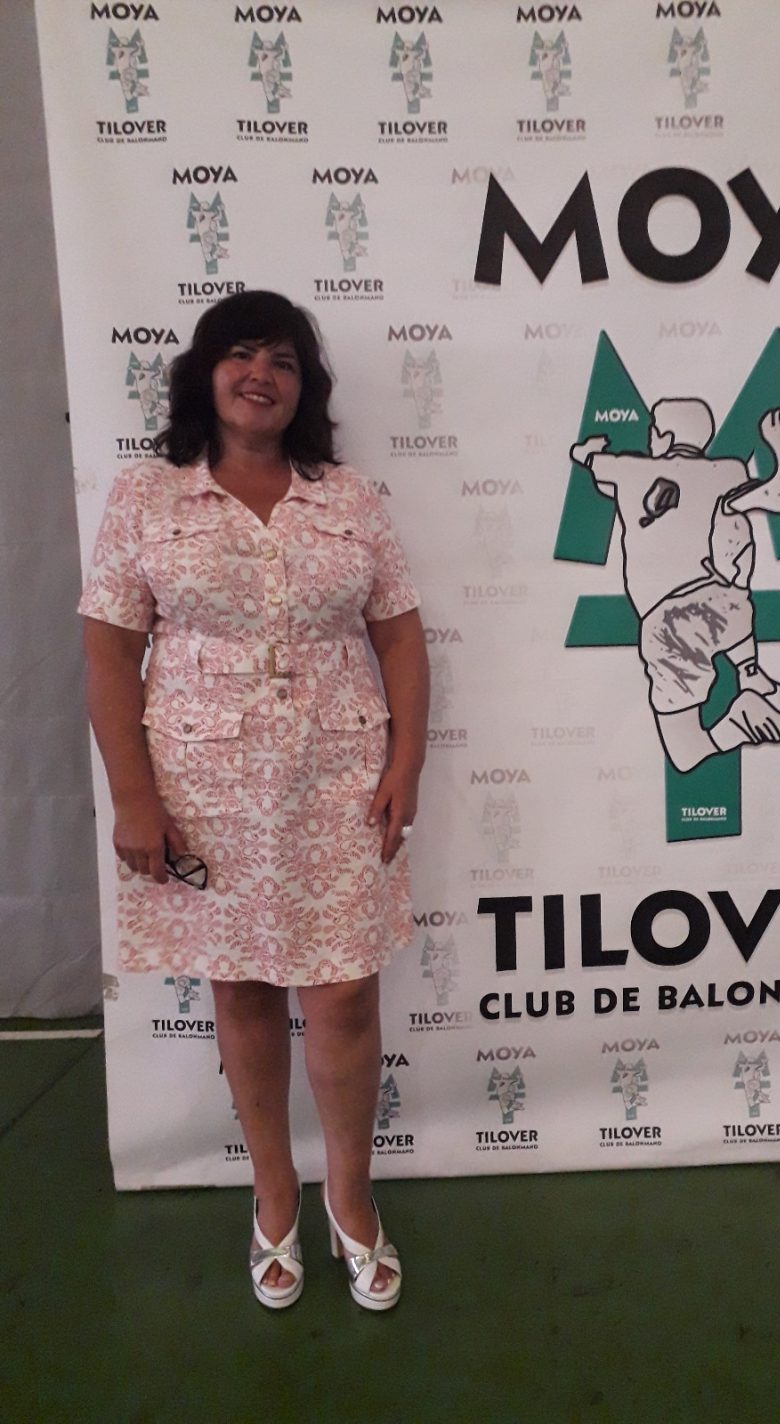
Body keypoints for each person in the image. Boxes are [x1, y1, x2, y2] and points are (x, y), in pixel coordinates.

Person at [80, 290, 428, 1312]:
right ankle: (274, 1196)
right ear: (205, 373)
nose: (260, 374)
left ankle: (350, 1198)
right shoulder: (147, 497)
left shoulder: (348, 497)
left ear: (303, 387)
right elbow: (109, 653)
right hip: (205, 785)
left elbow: (400, 634)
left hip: (338, 777)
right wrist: (133, 796)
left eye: (281, 360)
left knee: (344, 995)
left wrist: (407, 761)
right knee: (241, 991)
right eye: (240, 354)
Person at [569, 397, 780, 773]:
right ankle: (752, 676)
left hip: (669, 625)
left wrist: (589, 451)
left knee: (685, 754)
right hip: (726, 605)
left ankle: (742, 721)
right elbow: (778, 497)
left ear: (666, 436)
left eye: (654, 431)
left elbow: (586, 458)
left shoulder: (627, 470)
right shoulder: (728, 472)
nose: (650, 438)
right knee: (732, 583)